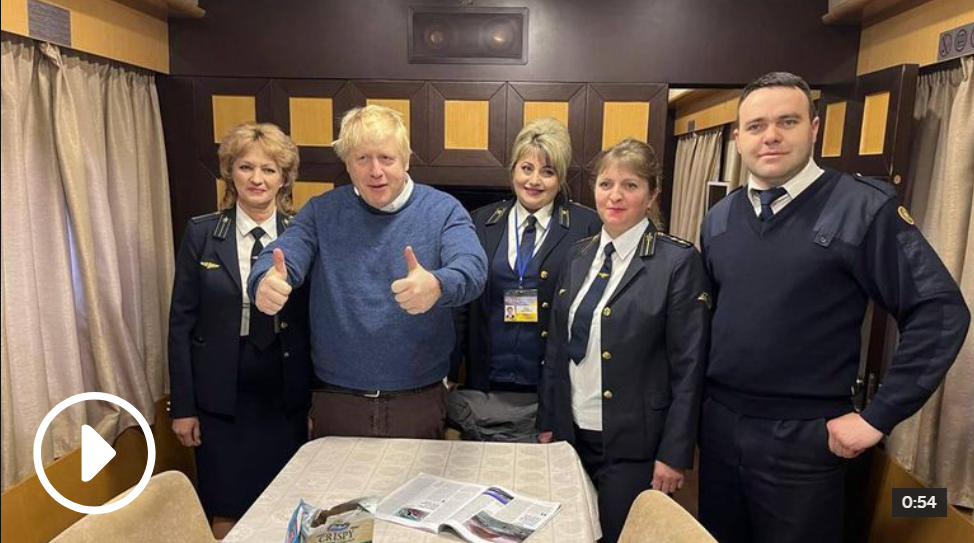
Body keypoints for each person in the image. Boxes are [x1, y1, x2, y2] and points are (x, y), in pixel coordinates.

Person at [698, 72, 970, 543]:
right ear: (738, 138)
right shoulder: (719, 219)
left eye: (787, 121)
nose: (771, 136)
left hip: (805, 440)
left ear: (814, 128)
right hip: (720, 428)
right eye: (756, 125)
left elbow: (940, 311)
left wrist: (878, 416)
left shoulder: (862, 209)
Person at [249, 104, 487, 440]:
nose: (376, 171)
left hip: (418, 401)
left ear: (406, 160)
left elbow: (473, 267)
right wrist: (266, 280)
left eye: (386, 158)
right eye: (362, 159)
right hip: (337, 401)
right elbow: (283, 254)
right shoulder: (321, 211)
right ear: (348, 164)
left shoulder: (443, 210)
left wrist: (437, 284)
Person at [537, 139, 710, 543]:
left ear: (652, 195)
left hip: (635, 443)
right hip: (571, 433)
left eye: (630, 185)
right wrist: (548, 422)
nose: (614, 196)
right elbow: (556, 349)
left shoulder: (677, 263)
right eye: (606, 184)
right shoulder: (578, 256)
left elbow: (689, 368)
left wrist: (674, 454)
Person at [168, 122, 313, 538]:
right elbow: (181, 321)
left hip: (284, 395)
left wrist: (316, 402)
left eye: (269, 169)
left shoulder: (302, 235)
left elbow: (313, 322)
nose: (257, 178)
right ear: (230, 173)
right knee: (226, 510)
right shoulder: (201, 233)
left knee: (285, 507)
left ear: (284, 178)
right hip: (219, 397)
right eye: (246, 167)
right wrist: (183, 407)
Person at [450, 117, 601, 442]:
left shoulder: (587, 228)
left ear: (561, 177)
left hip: (551, 389)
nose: (534, 180)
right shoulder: (480, 222)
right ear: (513, 170)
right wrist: (448, 372)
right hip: (485, 386)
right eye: (526, 168)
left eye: (547, 171)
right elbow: (461, 305)